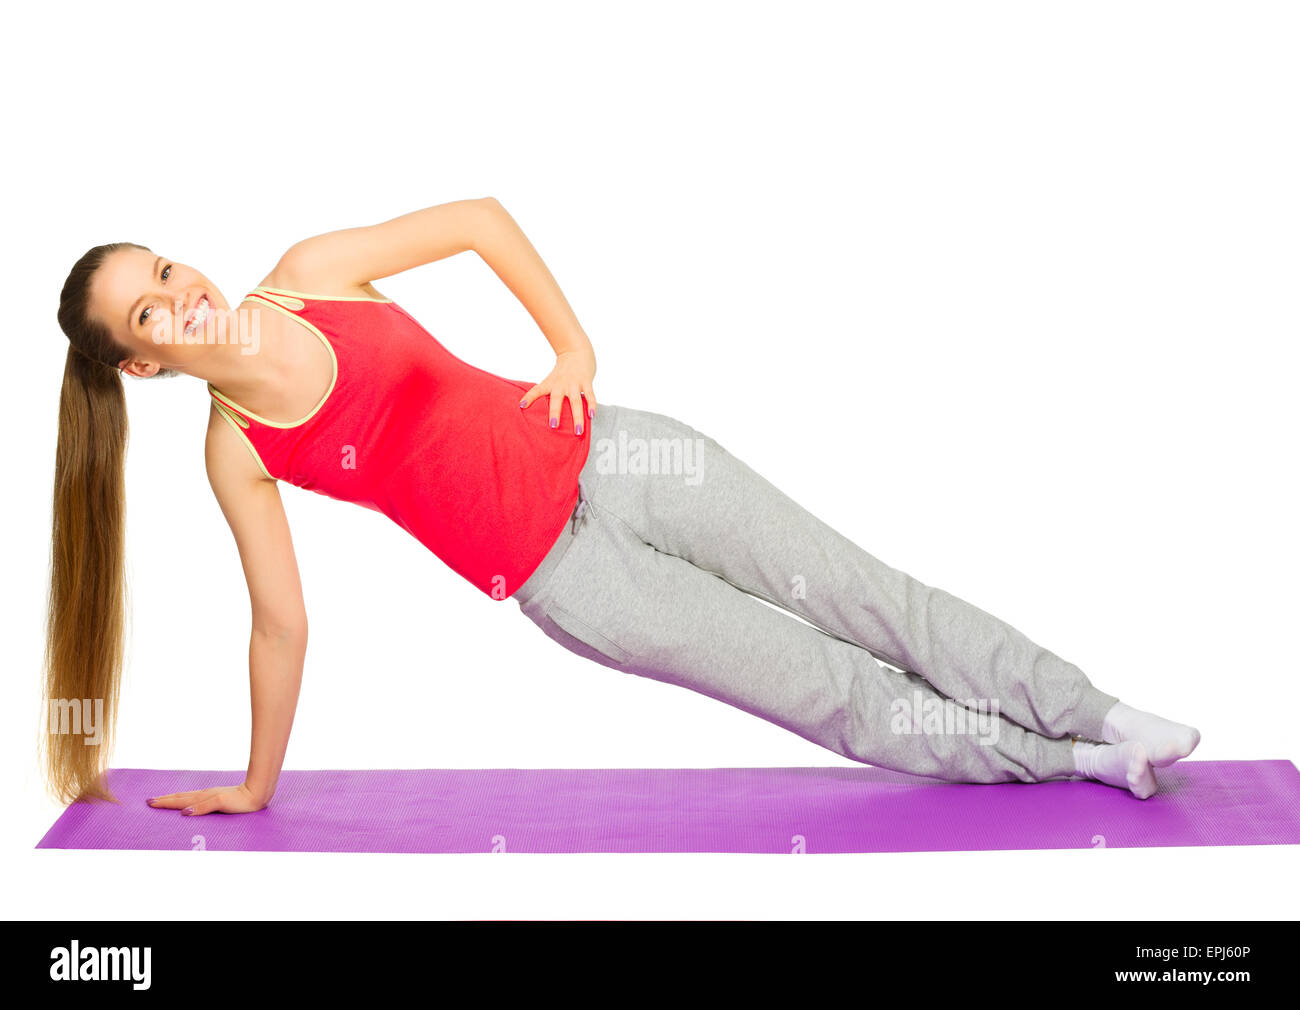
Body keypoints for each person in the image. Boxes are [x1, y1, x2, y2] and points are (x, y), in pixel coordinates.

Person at [45, 198, 1200, 814]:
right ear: (140, 366)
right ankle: (1066, 767)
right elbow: (278, 623)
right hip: (574, 580)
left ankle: (1096, 713)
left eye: (163, 271)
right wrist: (257, 783)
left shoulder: (310, 269)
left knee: (867, 595)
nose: (178, 297)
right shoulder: (237, 449)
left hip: (621, 452)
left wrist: (572, 344)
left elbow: (479, 218)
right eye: (148, 315)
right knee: (833, 692)